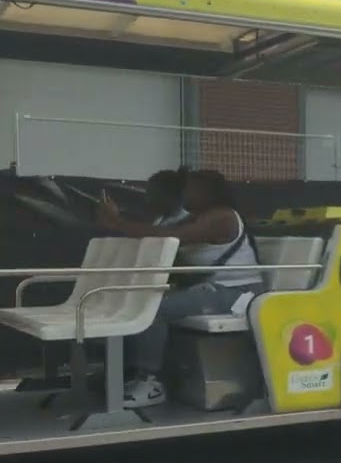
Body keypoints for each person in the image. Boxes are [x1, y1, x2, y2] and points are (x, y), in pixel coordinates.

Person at [97, 169, 263, 407]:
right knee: (135, 301)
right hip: (210, 289)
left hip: (236, 294)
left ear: (209, 192)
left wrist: (115, 222)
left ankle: (150, 382)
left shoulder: (223, 217)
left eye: (190, 189)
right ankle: (126, 374)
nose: (184, 194)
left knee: (152, 310)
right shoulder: (194, 218)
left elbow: (170, 237)